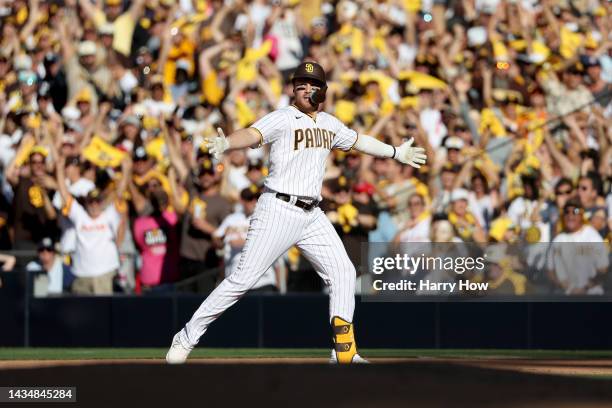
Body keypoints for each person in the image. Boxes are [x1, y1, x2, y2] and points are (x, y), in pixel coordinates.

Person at [166, 61, 426, 364]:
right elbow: (251, 134)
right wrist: (228, 143)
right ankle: (185, 337)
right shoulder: (283, 117)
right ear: (293, 91)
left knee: (344, 272)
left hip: (312, 213)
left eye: (312, 85)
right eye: (300, 85)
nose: (306, 90)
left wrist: (396, 152)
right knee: (242, 280)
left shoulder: (329, 123)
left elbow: (359, 141)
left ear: (323, 91)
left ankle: (344, 352)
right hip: (278, 207)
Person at [55, 155, 130, 295]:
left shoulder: (108, 214)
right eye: (91, 202)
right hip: (81, 274)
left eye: (97, 201)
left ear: (101, 202)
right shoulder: (80, 216)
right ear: (87, 203)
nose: (94, 205)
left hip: (104, 273)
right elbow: (65, 195)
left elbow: (120, 192)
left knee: (103, 313)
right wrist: (59, 170)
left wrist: (125, 171)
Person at [214, 185, 279, 293]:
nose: (254, 202)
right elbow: (216, 239)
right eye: (249, 199)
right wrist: (221, 239)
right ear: (242, 201)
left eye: (257, 198)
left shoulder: (268, 219)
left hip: (263, 280)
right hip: (235, 282)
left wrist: (243, 242)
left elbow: (271, 246)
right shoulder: (231, 219)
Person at [547, 199, 609, 295]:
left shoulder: (592, 236)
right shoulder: (558, 240)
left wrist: (585, 287)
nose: (570, 216)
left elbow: (604, 268)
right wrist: (565, 286)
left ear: (581, 215)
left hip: (592, 294)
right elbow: (550, 271)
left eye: (575, 211)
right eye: (567, 212)